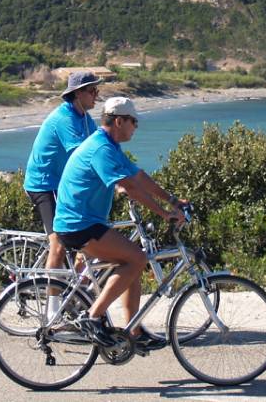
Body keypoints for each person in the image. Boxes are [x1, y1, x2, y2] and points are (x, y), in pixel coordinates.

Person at [53, 96, 184, 353]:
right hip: (78, 225)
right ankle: (92, 317)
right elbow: (132, 188)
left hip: (86, 222)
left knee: (133, 262)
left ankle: (133, 330)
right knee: (137, 258)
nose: (136, 127)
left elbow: (139, 177)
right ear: (119, 120)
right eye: (133, 122)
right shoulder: (101, 149)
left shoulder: (110, 146)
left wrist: (173, 200)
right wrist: (163, 213)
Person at [22, 70, 103, 317]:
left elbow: (101, 149)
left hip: (63, 184)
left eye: (97, 91)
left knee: (90, 235)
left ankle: (75, 294)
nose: (96, 96)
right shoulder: (65, 119)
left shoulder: (86, 119)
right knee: (58, 242)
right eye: (92, 91)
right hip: (45, 184)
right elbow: (82, 155)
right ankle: (52, 313)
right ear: (77, 94)